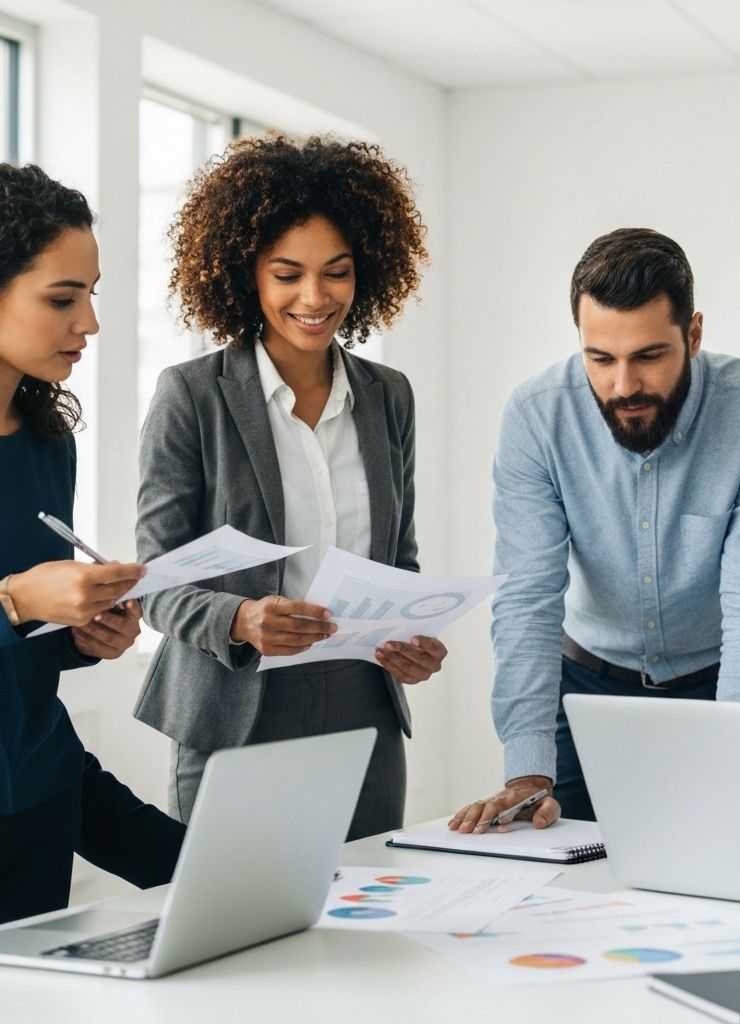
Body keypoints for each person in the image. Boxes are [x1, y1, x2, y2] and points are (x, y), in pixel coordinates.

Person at [135, 135, 445, 840]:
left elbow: (398, 558)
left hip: (363, 707)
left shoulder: (388, 397)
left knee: (365, 923)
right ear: (246, 273)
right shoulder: (192, 396)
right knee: (238, 935)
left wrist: (412, 634)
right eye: (287, 274)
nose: (315, 298)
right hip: (237, 707)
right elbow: (151, 580)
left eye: (336, 272)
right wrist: (239, 621)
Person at [451, 228, 740, 832]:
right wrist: (526, 765)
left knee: (726, 860)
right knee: (563, 888)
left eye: (648, 356)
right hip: (583, 690)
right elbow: (528, 598)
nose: (623, 386)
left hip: (714, 687)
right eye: (600, 359)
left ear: (693, 335)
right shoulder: (536, 414)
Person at [0, 163, 184, 924]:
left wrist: (82, 634)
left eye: (92, 294)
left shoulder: (46, 441)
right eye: (61, 298)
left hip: (39, 794)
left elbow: (29, 655)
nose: (90, 324)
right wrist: (13, 602)